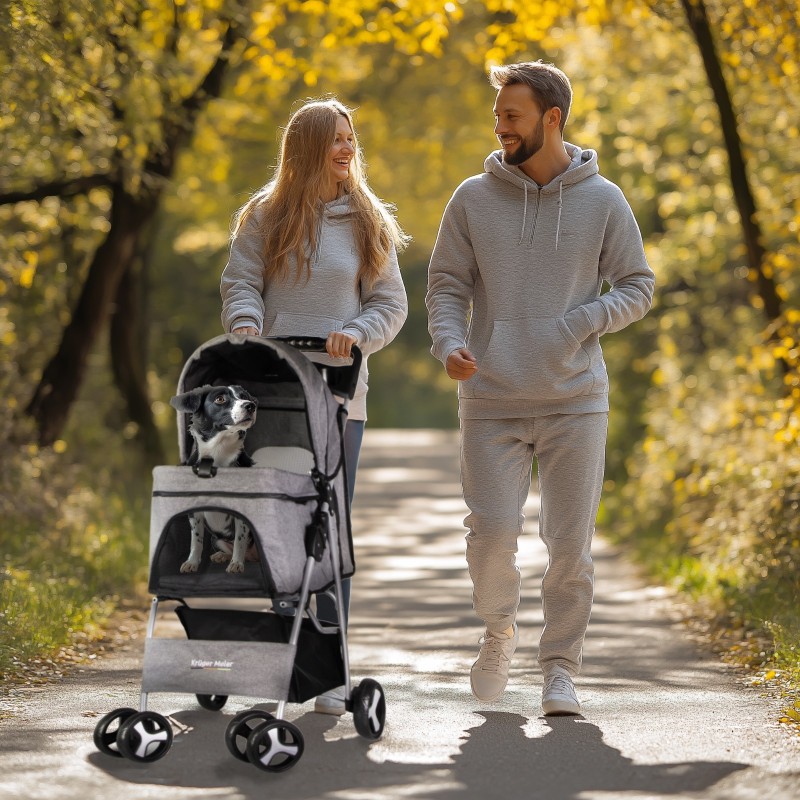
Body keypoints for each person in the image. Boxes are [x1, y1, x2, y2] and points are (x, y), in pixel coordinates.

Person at [426, 61, 655, 715]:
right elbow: (447, 285)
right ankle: (499, 630)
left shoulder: (603, 200)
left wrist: (582, 322)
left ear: (552, 118)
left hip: (575, 398)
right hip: (492, 395)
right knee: (492, 535)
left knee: (569, 545)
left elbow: (638, 284)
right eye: (498, 114)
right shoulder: (472, 198)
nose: (499, 126)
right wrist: (449, 343)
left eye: (511, 115)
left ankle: (560, 669)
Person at [220, 97, 409, 714]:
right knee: (274, 529)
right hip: (272, 390)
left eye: (351, 137)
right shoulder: (265, 214)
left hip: (336, 395)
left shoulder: (366, 219)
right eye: (336, 138)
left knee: (327, 530)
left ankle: (328, 669)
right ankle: (276, 657)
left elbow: (390, 304)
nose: (348, 147)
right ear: (306, 148)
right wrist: (246, 324)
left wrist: (355, 332)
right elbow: (242, 279)